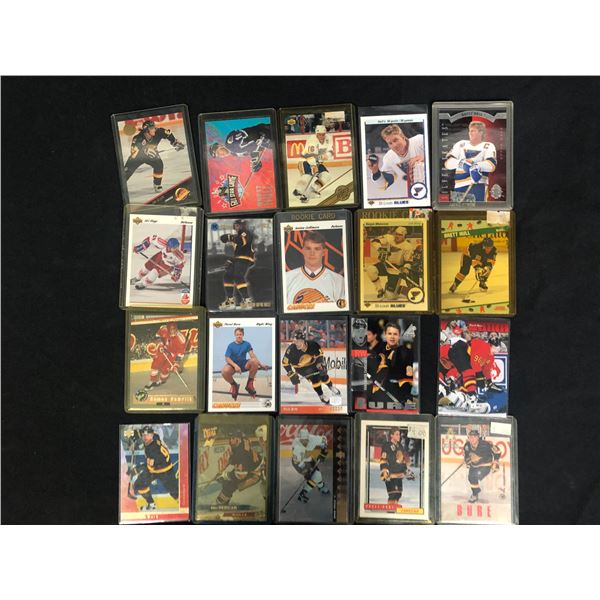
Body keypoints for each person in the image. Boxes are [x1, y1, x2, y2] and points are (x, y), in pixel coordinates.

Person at [126, 426, 179, 511]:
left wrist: (136, 469)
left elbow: (150, 465)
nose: (145, 437)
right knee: (139, 484)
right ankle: (151, 505)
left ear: (151, 435)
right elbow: (140, 432)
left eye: (147, 435)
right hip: (154, 468)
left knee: (174, 492)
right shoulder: (155, 436)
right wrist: (130, 435)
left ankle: (183, 504)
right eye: (144, 435)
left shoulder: (153, 450)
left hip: (165, 471)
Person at [286, 231, 345, 306]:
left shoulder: (338, 280)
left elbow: (341, 310)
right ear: (302, 251)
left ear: (324, 252)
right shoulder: (287, 278)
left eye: (317, 249)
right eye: (308, 248)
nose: (312, 253)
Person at [124, 120, 185, 193]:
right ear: (146, 130)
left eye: (154, 127)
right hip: (137, 158)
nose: (154, 129)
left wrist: (174, 142)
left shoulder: (159, 132)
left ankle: (157, 184)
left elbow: (168, 134)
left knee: (159, 165)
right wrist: (145, 152)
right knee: (125, 174)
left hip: (152, 154)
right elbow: (133, 153)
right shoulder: (137, 138)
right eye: (152, 128)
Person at [282, 330, 340, 405]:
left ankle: (331, 386)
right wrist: (291, 374)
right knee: (314, 378)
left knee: (323, 375)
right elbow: (285, 363)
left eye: (299, 341)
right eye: (296, 341)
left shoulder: (313, 345)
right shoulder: (291, 350)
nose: (297, 344)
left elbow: (319, 355)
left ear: (304, 340)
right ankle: (321, 395)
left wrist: (320, 364)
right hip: (301, 368)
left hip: (313, 363)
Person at [444, 120, 497, 202]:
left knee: (478, 209)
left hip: (478, 185)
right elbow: (448, 163)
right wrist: (461, 163)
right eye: (469, 131)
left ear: (481, 132)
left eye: (473, 131)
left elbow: (491, 165)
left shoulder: (488, 146)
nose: (470, 133)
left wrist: (476, 166)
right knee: (458, 209)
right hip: (459, 185)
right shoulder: (461, 144)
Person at [366, 123, 425, 195]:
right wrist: (375, 171)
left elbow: (437, 151)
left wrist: (424, 157)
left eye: (395, 140)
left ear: (402, 137)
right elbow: (384, 184)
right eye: (390, 143)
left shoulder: (420, 140)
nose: (394, 145)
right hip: (417, 189)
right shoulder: (389, 157)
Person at [367, 322, 414, 408]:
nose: (392, 337)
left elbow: (409, 376)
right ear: (385, 335)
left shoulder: (405, 352)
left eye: (395, 334)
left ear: (399, 336)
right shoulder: (378, 350)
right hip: (379, 395)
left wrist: (407, 397)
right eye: (389, 334)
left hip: (398, 395)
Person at [214, 430, 264, 505]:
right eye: (230, 438)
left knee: (232, 484)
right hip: (249, 468)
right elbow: (231, 459)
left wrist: (225, 475)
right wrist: (221, 471)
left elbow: (241, 475)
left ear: (238, 439)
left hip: (255, 473)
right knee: (229, 482)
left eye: (232, 438)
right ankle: (222, 501)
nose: (230, 440)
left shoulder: (242, 452)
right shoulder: (238, 444)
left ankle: (221, 503)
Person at [137, 322, 186, 398]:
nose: (173, 333)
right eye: (171, 331)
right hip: (164, 349)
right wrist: (160, 343)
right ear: (168, 329)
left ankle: (162, 380)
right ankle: (152, 381)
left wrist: (176, 365)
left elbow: (180, 354)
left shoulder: (181, 339)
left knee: (165, 370)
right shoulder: (164, 329)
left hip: (173, 355)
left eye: (175, 331)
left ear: (177, 329)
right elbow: (157, 335)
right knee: (155, 364)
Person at [366, 226, 415, 299]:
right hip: (386, 265)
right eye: (396, 234)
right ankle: (379, 289)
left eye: (400, 235)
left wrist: (405, 269)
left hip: (396, 269)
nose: (397, 236)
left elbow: (409, 261)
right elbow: (374, 241)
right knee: (371, 269)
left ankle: (397, 288)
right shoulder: (389, 238)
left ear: (404, 236)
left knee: (390, 296)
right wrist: (380, 248)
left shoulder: (408, 246)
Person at [218, 220, 256, 310]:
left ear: (243, 226)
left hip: (246, 258)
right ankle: (230, 301)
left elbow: (242, 242)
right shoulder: (237, 236)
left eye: (238, 225)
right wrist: (231, 260)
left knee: (238, 276)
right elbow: (238, 252)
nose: (236, 227)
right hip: (238, 258)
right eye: (235, 226)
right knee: (227, 276)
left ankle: (247, 301)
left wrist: (229, 237)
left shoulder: (246, 232)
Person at [293, 124, 335, 203]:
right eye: (319, 135)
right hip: (305, 161)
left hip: (317, 162)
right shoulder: (312, 140)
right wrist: (314, 165)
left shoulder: (328, 138)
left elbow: (331, 151)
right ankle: (298, 191)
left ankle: (312, 190)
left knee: (326, 175)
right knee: (308, 176)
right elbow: (309, 155)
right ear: (316, 134)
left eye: (323, 134)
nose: (321, 136)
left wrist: (327, 155)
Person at [221, 327, 266, 400]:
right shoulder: (231, 345)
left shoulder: (247, 344)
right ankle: (234, 385)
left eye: (240, 334)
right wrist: (235, 366)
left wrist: (261, 365)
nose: (239, 336)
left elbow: (252, 356)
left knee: (254, 361)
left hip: (243, 364)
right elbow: (227, 358)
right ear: (235, 335)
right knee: (224, 371)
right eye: (237, 334)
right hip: (233, 365)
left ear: (243, 335)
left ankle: (249, 385)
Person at [291, 428, 329, 503]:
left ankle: (321, 487)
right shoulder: (296, 446)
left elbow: (324, 439)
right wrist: (305, 471)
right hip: (299, 463)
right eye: (302, 440)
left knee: (317, 476)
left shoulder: (313, 439)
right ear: (299, 439)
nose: (304, 442)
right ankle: (303, 493)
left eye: (306, 440)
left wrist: (323, 453)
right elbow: (297, 462)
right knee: (316, 476)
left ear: (308, 437)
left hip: (309, 459)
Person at [463, 430, 501, 503]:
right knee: (471, 478)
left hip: (485, 465)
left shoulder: (485, 444)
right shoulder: (467, 446)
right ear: (468, 438)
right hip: (474, 465)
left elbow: (497, 451)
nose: (472, 439)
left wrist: (496, 461)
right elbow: (467, 457)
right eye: (470, 437)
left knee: (476, 475)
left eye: (474, 437)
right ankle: (475, 494)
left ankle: (476, 493)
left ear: (478, 437)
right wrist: (468, 460)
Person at [379, 428, 414, 507]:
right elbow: (383, 459)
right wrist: (384, 470)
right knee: (393, 494)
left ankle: (395, 507)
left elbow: (403, 460)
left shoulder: (400, 446)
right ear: (391, 435)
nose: (399, 436)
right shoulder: (387, 445)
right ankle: (391, 510)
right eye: (397, 434)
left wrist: (406, 471)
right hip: (391, 475)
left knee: (398, 494)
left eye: (399, 434)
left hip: (399, 475)